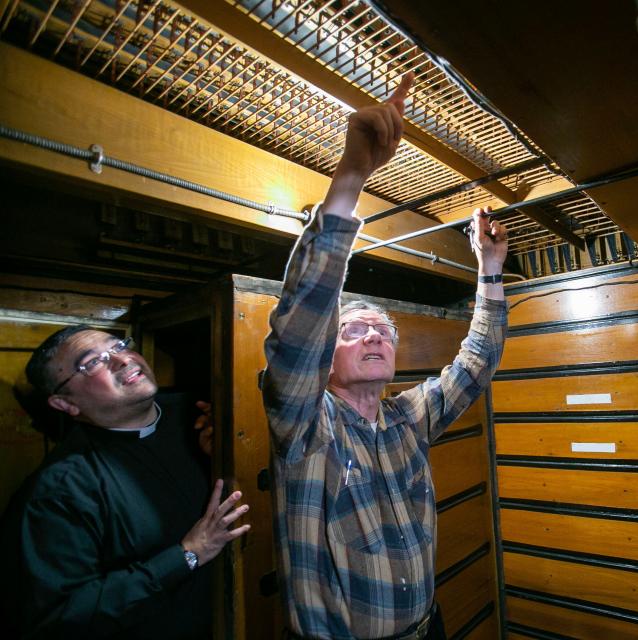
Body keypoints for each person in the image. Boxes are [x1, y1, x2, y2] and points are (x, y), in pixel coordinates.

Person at [262, 72, 509, 640]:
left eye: (383, 330)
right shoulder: (305, 427)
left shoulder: (407, 418)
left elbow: (477, 361)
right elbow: (300, 326)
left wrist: (489, 269)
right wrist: (351, 177)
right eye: (354, 330)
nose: (374, 335)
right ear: (325, 359)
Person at [0, 326, 251, 639]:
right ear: (66, 404)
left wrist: (225, 450)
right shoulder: (59, 490)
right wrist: (187, 554)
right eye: (93, 362)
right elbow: (59, 619)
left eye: (119, 345)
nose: (122, 359)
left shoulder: (206, 410)